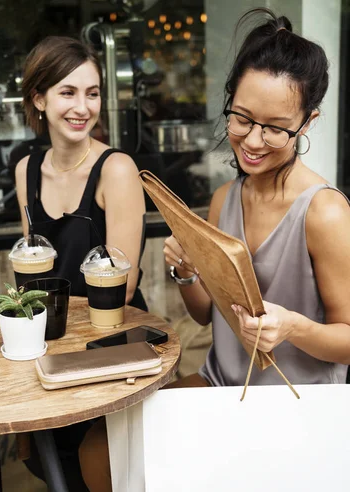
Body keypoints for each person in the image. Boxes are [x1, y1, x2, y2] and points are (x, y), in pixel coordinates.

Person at [78, 8, 350, 491]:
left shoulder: (323, 212)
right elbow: (206, 315)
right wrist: (187, 273)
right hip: (222, 386)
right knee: (99, 444)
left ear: (308, 122)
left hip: (297, 406)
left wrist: (292, 327)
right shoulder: (226, 198)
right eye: (242, 118)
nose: (253, 140)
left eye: (276, 127)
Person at [13, 36, 147, 490]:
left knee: (86, 465)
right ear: (39, 97)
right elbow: (32, 264)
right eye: (67, 92)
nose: (82, 106)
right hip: (53, 341)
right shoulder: (26, 169)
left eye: (92, 93)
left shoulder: (117, 168)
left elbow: (120, 288)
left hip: (109, 342)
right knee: (47, 463)